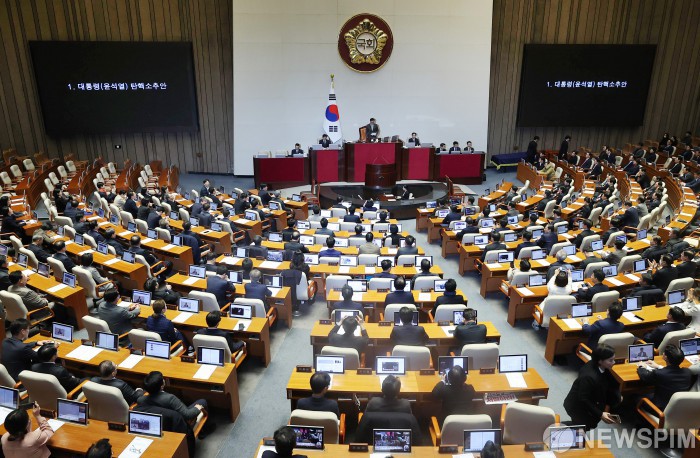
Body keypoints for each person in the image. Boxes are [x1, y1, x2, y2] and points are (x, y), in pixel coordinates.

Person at [564, 344, 621, 430]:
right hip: (577, 407)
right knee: (581, 426)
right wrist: (600, 414)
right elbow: (583, 398)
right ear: (600, 361)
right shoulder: (589, 377)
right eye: (610, 360)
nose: (614, 363)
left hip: (590, 404)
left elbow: (610, 384)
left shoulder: (598, 366)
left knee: (586, 425)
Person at [637, 344, 693, 410]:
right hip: (678, 407)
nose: (663, 353)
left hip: (659, 408)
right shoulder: (687, 372)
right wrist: (658, 366)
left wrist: (641, 366)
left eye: (664, 353)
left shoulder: (659, 373)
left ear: (665, 357)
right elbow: (671, 372)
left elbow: (644, 377)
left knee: (634, 396)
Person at [137, 371, 206, 423]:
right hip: (179, 422)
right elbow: (187, 415)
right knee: (202, 401)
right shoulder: (170, 399)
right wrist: (197, 408)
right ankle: (204, 431)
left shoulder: (141, 400)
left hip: (163, 422)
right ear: (162, 385)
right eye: (162, 379)